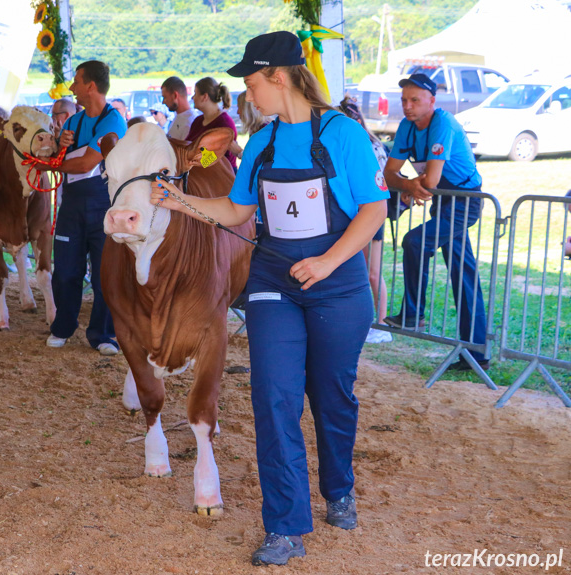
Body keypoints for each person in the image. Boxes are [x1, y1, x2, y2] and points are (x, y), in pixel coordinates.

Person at [151, 31, 388, 567]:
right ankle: (283, 526)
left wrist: (328, 261)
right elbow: (238, 212)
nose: (249, 94)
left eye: (253, 82)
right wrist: (180, 201)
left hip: (338, 283)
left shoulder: (343, 134)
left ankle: (340, 487)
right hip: (274, 281)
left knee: (331, 396)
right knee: (273, 398)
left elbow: (372, 211)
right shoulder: (260, 143)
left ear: (279, 77)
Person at [383, 73, 489, 371]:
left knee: (415, 241)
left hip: (465, 199)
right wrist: (408, 186)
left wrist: (409, 184)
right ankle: (477, 353)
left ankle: (413, 313)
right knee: (463, 272)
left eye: (414, 100)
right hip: (443, 199)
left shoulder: (442, 122)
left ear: (432, 100)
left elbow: (430, 180)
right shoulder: (407, 126)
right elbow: (389, 174)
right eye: (404, 100)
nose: (407, 106)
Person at [47, 60, 127, 356]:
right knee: (65, 272)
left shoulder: (113, 121)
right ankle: (62, 327)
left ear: (90, 86)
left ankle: (103, 334)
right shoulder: (72, 121)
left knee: (104, 275)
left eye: (77, 82)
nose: (72, 88)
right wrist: (60, 145)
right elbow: (62, 157)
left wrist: (49, 164)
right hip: (71, 207)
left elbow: (86, 163)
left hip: (104, 207)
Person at [339, 96, 392, 344]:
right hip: (363, 213)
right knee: (363, 270)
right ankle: (369, 322)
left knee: (371, 271)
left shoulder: (367, 145)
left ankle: (381, 324)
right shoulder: (369, 143)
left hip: (370, 213)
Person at [185, 76, 238, 173]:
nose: (192, 98)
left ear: (205, 97)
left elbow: (218, 158)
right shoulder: (198, 121)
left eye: (195, 93)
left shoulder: (224, 123)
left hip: (221, 178)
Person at [230, 91, 269, 160]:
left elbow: (260, 161)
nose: (237, 112)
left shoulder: (264, 131)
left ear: (248, 110)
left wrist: (239, 152)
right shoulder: (256, 129)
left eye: (239, 107)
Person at [161, 76, 199, 140]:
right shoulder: (179, 116)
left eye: (165, 97)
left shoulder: (190, 123)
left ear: (175, 95)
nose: (163, 102)